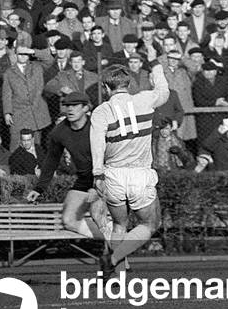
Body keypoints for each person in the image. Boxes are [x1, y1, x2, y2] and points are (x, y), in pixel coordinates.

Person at [89, 62, 170, 274]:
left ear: (106, 88)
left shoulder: (101, 111)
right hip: (140, 174)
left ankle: (117, 276)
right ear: (129, 84)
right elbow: (164, 91)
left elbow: (96, 144)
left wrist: (97, 174)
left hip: (113, 174)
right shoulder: (144, 99)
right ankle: (113, 258)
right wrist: (157, 68)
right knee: (149, 225)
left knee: (118, 225)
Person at [26, 91, 116, 264]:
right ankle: (117, 243)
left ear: (85, 108)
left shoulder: (97, 127)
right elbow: (51, 160)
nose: (70, 109)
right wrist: (39, 188)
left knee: (98, 214)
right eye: (67, 105)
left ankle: (115, 256)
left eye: (75, 105)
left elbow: (112, 156)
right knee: (68, 220)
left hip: (107, 177)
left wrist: (98, 185)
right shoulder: (59, 132)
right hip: (84, 179)